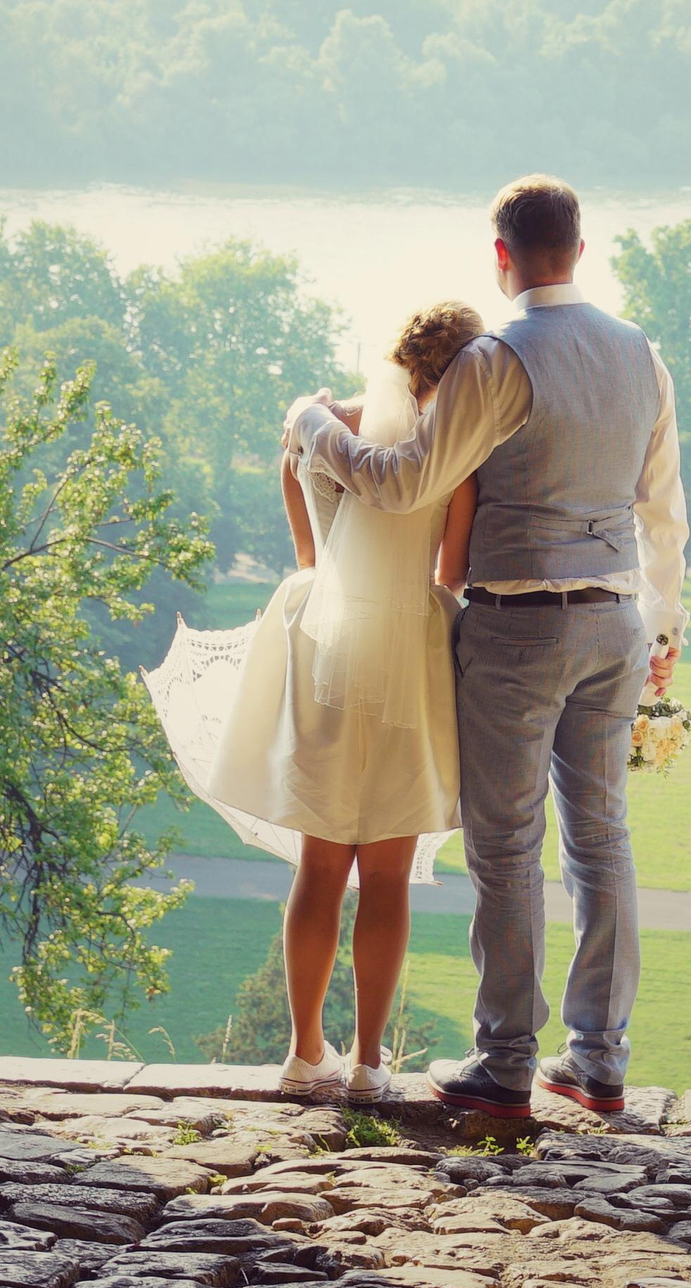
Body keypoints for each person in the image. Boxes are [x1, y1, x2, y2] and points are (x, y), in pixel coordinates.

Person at [284, 176, 687, 1116]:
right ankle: (599, 1055)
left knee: (506, 846)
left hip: (518, 625)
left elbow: (403, 479)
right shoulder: (643, 356)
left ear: (500, 256)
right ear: (580, 250)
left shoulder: (498, 359)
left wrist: (310, 426)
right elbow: (663, 509)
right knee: (602, 836)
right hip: (615, 619)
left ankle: (506, 1062)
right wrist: (665, 629)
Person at [143, 300, 489, 1106]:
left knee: (321, 863)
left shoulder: (314, 434)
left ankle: (306, 1052)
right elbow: (451, 577)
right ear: (456, 378)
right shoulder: (455, 459)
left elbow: (309, 557)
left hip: (321, 653)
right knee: (390, 876)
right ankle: (371, 1062)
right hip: (409, 656)